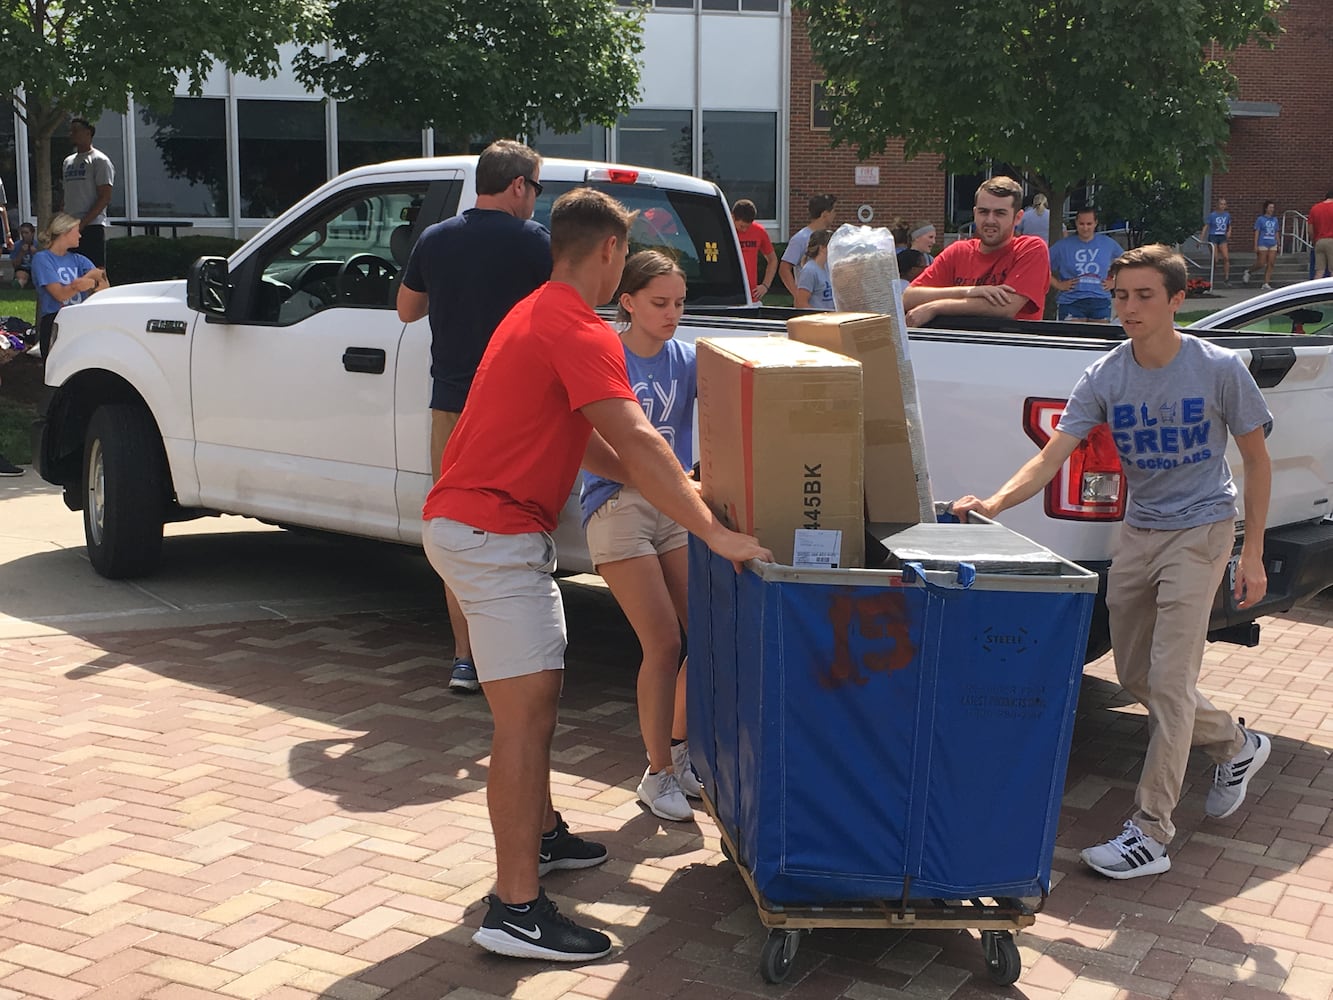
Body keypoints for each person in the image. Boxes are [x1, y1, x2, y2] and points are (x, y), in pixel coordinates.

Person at [421, 186, 770, 961]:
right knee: (527, 717)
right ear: (610, 253)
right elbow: (640, 438)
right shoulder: (578, 327)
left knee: (529, 705)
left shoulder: (533, 310)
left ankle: (540, 836)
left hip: (476, 525)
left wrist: (672, 493)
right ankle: (514, 908)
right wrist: (713, 530)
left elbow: (589, 443)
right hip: (492, 532)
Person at [953, 244, 1273, 881]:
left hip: (1203, 531)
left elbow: (1257, 461)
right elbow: (1051, 457)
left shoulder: (1219, 368)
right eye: (1121, 295)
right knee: (1135, 676)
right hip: (1139, 532)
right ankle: (1237, 744)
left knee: (1171, 679)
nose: (1128, 307)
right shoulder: (1106, 375)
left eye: (1144, 295)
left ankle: (1151, 831)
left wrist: (1254, 552)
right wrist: (994, 502)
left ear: (1177, 300)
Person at [397, 139, 553, 694]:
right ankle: (516, 656)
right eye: (535, 187)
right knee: (516, 525)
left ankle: (465, 657)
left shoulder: (436, 239)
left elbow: (407, 309)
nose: (536, 199)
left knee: (454, 526)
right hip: (518, 407)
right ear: (517, 186)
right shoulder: (538, 245)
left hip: (453, 406)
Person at [580, 251, 701, 823]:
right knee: (662, 643)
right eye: (659, 303)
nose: (672, 313)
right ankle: (656, 774)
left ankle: (677, 754)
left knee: (707, 635)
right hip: (618, 505)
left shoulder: (687, 357)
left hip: (674, 506)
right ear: (627, 301)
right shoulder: (606, 353)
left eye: (679, 302)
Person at [902, 176, 1049, 325]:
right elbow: (907, 298)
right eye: (983, 212)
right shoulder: (958, 252)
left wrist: (936, 307)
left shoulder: (1031, 249)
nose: (990, 220)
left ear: (1018, 218)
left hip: (1009, 346)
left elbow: (1005, 307)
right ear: (975, 212)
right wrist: (967, 291)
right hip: (955, 346)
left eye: (1000, 213)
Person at [32, 212, 108, 359]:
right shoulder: (42, 259)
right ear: (64, 233)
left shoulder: (79, 259)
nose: (80, 236)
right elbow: (59, 294)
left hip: (81, 319)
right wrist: (79, 285)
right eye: (76, 231)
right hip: (56, 321)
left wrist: (89, 281)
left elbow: (104, 284)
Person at [1048, 207, 1122, 322]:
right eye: (1081, 224)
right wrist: (1058, 284)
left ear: (1096, 223)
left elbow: (1128, 264)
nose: (1085, 228)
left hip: (1100, 300)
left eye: (1089, 224)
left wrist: (1115, 283)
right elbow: (1041, 267)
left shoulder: (1108, 243)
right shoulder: (1062, 246)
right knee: (1073, 339)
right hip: (1071, 301)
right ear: (1076, 223)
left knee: (1099, 339)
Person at [61, 117, 115, 269]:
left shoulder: (100, 160)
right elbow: (67, 194)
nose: (72, 134)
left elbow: (105, 196)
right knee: (72, 270)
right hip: (69, 226)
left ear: (88, 132)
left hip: (92, 226)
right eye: (71, 131)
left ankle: (102, 294)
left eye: (76, 130)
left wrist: (83, 223)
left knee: (96, 272)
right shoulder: (68, 162)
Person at [778, 193, 836, 297]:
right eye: (833, 211)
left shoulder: (829, 237)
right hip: (810, 301)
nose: (834, 215)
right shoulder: (800, 238)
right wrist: (797, 295)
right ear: (825, 214)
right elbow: (784, 269)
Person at [731, 199, 778, 302]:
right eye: (741, 226)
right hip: (729, 293)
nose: (744, 230)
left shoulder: (759, 231)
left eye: (748, 227)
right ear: (732, 217)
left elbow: (773, 260)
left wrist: (765, 285)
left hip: (752, 296)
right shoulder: (725, 230)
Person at [793, 228, 834, 310]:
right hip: (819, 321)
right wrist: (820, 317)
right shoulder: (809, 271)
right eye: (832, 245)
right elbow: (800, 303)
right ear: (822, 248)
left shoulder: (827, 267)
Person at [1200, 196, 1233, 286]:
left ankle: (1226, 278)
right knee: (1215, 258)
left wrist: (1229, 231)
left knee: (1226, 257)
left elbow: (1229, 225)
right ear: (1218, 205)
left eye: (1224, 204)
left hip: (1222, 236)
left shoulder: (1227, 215)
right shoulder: (1213, 215)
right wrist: (1201, 239)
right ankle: (1213, 273)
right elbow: (1206, 226)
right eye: (1221, 204)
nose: (1222, 206)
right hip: (1213, 236)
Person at [1248, 200, 1280, 290]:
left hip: (1272, 243)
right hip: (1263, 242)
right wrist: (1255, 244)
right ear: (1266, 208)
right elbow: (1257, 232)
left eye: (1273, 207)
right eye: (1270, 207)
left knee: (1271, 263)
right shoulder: (1260, 219)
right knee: (1261, 263)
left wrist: (1278, 243)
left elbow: (1276, 232)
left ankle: (1266, 282)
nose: (1272, 209)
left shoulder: (1275, 220)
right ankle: (1249, 271)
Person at [1309, 190, 1333, 281]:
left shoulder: (1315, 208)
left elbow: (1310, 229)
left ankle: (1314, 291)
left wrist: (1314, 241)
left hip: (1319, 241)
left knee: (1319, 271)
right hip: (1331, 241)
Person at [10, 222, 37, 288]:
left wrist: (35, 254)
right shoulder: (17, 245)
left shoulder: (38, 245)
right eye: (22, 233)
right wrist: (21, 253)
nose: (24, 235)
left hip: (36, 269)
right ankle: (19, 284)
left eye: (26, 233)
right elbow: (15, 265)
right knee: (21, 275)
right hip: (23, 269)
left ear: (32, 233)